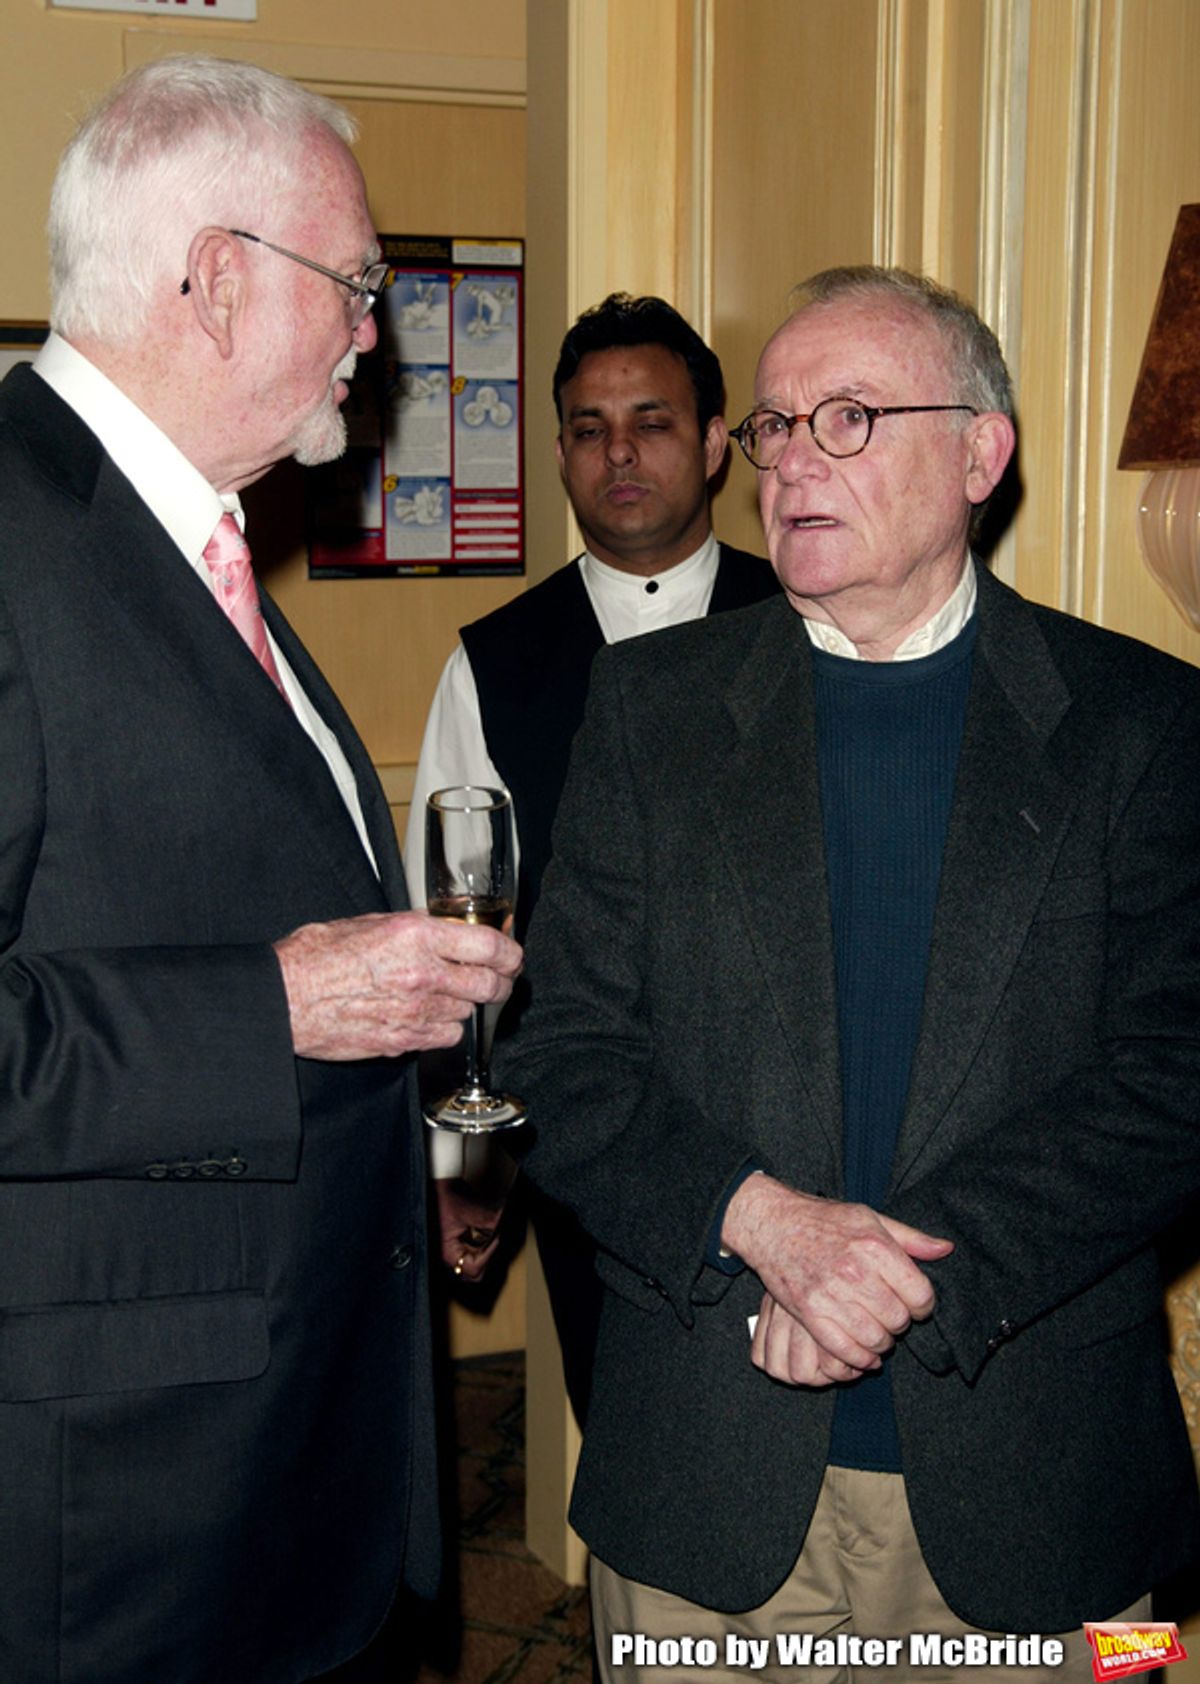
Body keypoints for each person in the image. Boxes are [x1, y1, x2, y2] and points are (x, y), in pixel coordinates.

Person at [500, 266, 1200, 1682]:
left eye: (849, 419)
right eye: (773, 427)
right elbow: (558, 1057)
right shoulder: (648, 715)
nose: (792, 463)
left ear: (981, 453)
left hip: (1058, 1492)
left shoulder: (1145, 722)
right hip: (702, 1489)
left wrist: (904, 1276)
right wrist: (765, 1227)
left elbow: (1174, 1078)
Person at [0, 54, 521, 1684]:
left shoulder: (191, 533)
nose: (382, 335)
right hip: (109, 1521)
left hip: (271, 1472)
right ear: (219, 281)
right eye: (361, 285)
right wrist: (281, 1002)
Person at [405, 293, 777, 1421]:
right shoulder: (494, 664)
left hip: (789, 1140)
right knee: (630, 1455)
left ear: (715, 444)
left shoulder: (810, 621)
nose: (618, 451)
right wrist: (465, 1167)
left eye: (652, 420)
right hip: (587, 1144)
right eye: (586, 426)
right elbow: (451, 937)